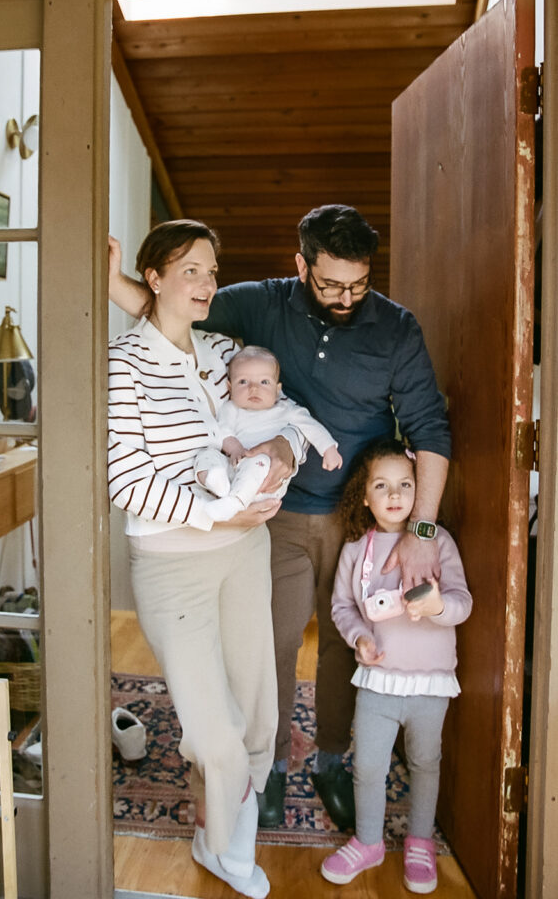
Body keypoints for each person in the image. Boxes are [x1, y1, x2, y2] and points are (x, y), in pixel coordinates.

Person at [108, 204, 451, 832]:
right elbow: (174, 314)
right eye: (330, 284)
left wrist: (422, 531)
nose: (346, 297)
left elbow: (430, 427)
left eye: (359, 283)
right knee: (273, 644)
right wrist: (107, 277)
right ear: (301, 266)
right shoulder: (262, 303)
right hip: (279, 519)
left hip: (358, 523)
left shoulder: (396, 329)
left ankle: (328, 762)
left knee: (349, 646)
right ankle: (266, 770)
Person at [108, 219, 304, 899]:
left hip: (245, 554)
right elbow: (125, 480)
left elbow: (282, 412)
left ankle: (219, 840)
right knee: (213, 729)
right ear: (153, 277)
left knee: (255, 714)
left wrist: (283, 453)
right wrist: (218, 510)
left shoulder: (223, 353)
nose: (207, 282)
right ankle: (227, 839)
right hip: (170, 564)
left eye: (212, 270)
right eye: (189, 269)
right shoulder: (121, 365)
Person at [322, 439, 471, 893]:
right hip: (377, 682)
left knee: (426, 763)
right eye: (382, 486)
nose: (394, 495)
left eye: (406, 485)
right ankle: (368, 842)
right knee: (368, 766)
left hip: (430, 682)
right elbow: (342, 607)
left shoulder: (439, 542)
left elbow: (462, 604)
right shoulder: (356, 548)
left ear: (419, 491)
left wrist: (435, 608)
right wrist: (359, 637)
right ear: (364, 496)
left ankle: (420, 842)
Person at [195, 344, 342, 522]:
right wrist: (235, 449)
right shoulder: (231, 408)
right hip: (234, 463)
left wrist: (328, 448)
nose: (254, 388)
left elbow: (310, 425)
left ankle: (233, 503)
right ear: (229, 386)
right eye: (243, 381)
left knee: (261, 461)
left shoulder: (286, 409)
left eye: (264, 382)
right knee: (206, 454)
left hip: (266, 480)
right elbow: (222, 431)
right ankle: (216, 483)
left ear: (277, 389)